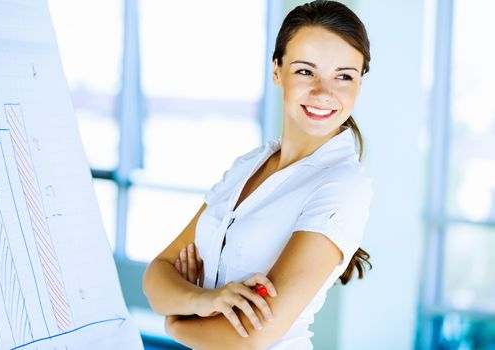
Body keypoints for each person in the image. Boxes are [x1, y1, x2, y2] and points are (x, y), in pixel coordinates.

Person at [143, 1, 373, 349]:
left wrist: (177, 323)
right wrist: (204, 301)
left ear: (359, 84)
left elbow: (252, 336)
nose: (324, 92)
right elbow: (157, 274)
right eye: (306, 71)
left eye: (344, 76)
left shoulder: (344, 185)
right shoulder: (248, 165)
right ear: (277, 71)